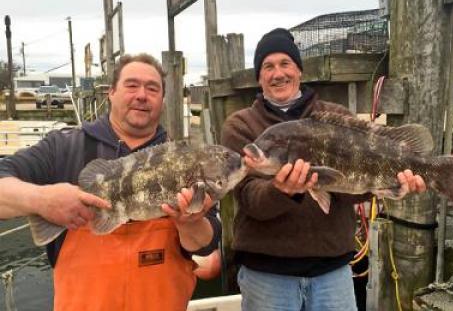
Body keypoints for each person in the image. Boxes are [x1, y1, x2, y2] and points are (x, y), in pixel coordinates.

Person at [221, 28, 426, 311]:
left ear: (299, 71)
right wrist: (282, 191)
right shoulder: (240, 125)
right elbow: (249, 199)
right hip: (267, 276)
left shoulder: (337, 117)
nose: (277, 73)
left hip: (333, 274)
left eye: (285, 64)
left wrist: (389, 187)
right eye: (267, 66)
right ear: (259, 77)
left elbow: (350, 188)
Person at [0, 53, 221, 310]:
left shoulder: (186, 162)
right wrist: (42, 200)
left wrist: (190, 224)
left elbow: (206, 250)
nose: (141, 95)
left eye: (152, 88)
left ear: (162, 99)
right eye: (131, 85)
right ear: (111, 92)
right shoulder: (62, 148)